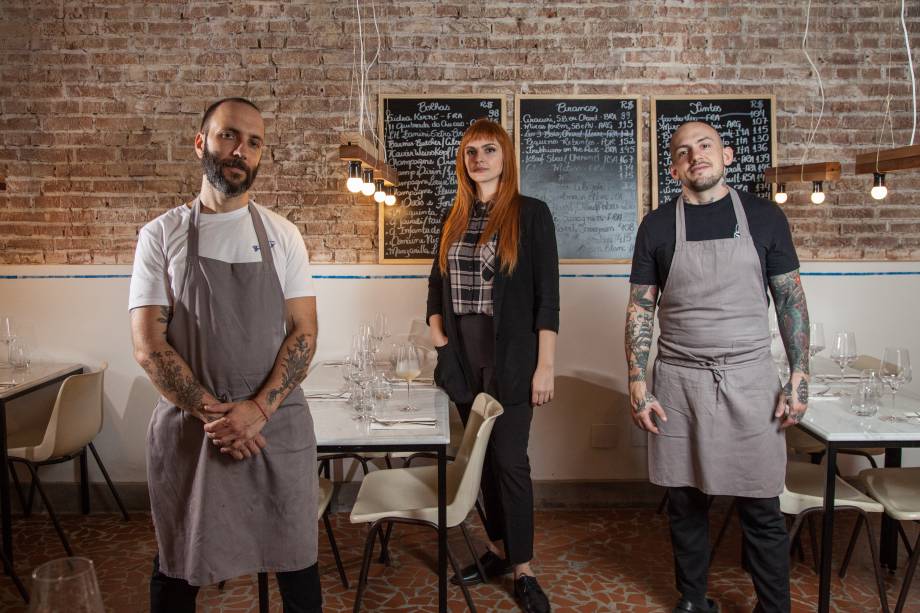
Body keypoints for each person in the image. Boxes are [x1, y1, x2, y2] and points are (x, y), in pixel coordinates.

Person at [129, 97, 322, 613]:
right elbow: (149, 346)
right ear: (201, 142)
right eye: (228, 136)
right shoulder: (161, 235)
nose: (241, 150)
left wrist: (256, 411)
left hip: (275, 427)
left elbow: (304, 333)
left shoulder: (283, 235)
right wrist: (218, 418)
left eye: (254, 143)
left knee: (298, 567)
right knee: (180, 566)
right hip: (196, 432)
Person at [625, 121, 809, 613]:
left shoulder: (765, 218)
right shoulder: (658, 226)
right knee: (685, 503)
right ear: (674, 167)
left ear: (727, 154)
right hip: (679, 378)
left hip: (750, 378)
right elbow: (642, 308)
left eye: (704, 145)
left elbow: (790, 297)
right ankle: (692, 600)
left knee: (761, 506)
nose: (695, 156)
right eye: (683, 151)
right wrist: (638, 380)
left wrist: (798, 375)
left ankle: (775, 607)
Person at [427, 118, 560, 613]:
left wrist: (546, 366)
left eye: (488, 150)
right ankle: (500, 552)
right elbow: (434, 287)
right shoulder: (453, 216)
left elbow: (548, 297)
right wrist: (441, 343)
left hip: (514, 361)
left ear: (505, 157)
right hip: (462, 358)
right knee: (479, 464)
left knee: (510, 462)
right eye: (470, 152)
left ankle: (523, 570)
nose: (478, 159)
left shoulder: (531, 214)